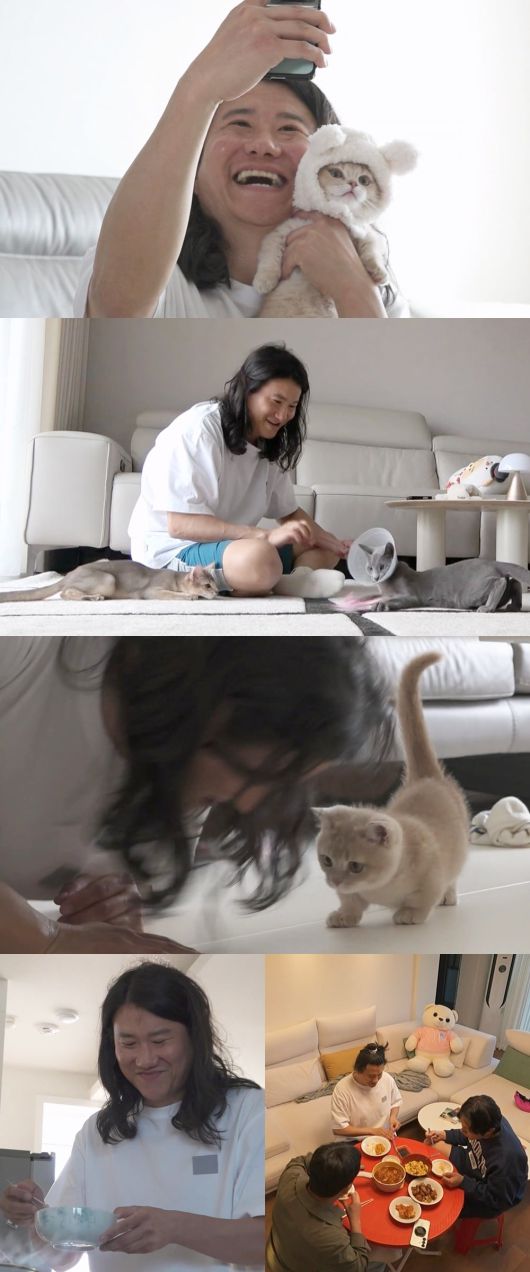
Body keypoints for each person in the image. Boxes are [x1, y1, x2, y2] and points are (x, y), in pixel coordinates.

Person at [0, 635, 393, 953]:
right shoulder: (24, 649)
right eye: (257, 774)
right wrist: (46, 941)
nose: (248, 803)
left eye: (282, 784)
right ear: (207, 704)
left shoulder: (183, 775)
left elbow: (112, 901)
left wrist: (109, 916)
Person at [75, 1, 407, 320]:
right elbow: (116, 312)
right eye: (240, 124)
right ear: (193, 168)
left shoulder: (371, 278)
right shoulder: (151, 277)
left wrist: (354, 290)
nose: (264, 145)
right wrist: (200, 89)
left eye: (288, 129)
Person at [0, 962, 264, 1271]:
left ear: (194, 1037)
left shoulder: (246, 1110)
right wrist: (37, 1220)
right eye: (128, 1043)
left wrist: (175, 1227)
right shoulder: (97, 1132)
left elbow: (267, 1240)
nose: (145, 1059)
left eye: (160, 1041)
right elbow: (60, 1258)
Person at [128, 343, 349, 598]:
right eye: (276, 401)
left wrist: (337, 545)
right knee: (260, 557)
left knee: (320, 546)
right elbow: (180, 525)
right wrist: (263, 536)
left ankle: (291, 581)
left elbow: (289, 513)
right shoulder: (199, 431)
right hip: (174, 550)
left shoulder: (269, 441)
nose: (283, 415)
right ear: (247, 391)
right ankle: (265, 578)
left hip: (233, 547)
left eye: (292, 406)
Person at [268, 1143, 398, 1272]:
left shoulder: (291, 1175)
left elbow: (301, 1160)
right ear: (346, 1188)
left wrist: (336, 1167)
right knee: (389, 1255)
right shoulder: (330, 1237)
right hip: (292, 1266)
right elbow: (358, 1266)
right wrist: (355, 1221)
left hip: (280, 1242)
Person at [425, 1094, 528, 1218]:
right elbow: (467, 1135)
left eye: (466, 1129)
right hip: (472, 1160)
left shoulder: (507, 1161)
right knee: (430, 1144)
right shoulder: (489, 1122)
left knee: (442, 1205)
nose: (462, 1131)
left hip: (488, 1197)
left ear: (489, 1132)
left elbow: (497, 1200)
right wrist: (444, 1135)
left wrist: (463, 1182)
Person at [331, 1044, 402, 1139]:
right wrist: (372, 1131)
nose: (376, 1080)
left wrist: (393, 1117)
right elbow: (338, 1129)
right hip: (356, 1140)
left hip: (385, 1135)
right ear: (357, 1070)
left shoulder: (387, 1079)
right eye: (371, 1076)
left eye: (379, 1074)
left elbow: (395, 1102)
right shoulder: (342, 1089)